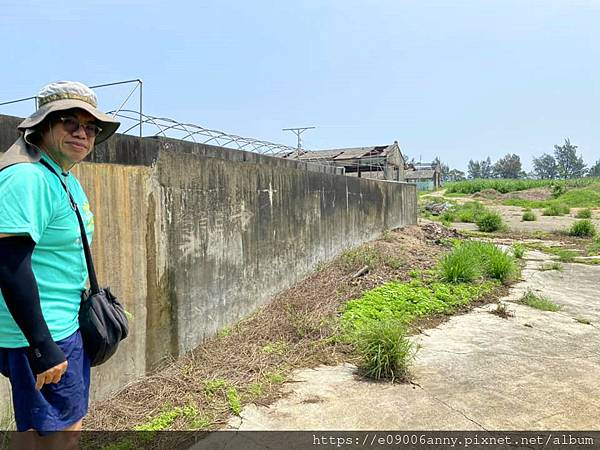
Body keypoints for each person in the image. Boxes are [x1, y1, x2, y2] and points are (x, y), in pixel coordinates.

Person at [0, 81, 120, 444]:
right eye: (70, 122)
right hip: (43, 330)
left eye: (91, 127)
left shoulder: (58, 174)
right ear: (44, 125)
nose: (82, 133)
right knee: (61, 434)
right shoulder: (27, 177)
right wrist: (41, 344)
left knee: (43, 431)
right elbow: (8, 263)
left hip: (59, 323)